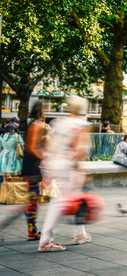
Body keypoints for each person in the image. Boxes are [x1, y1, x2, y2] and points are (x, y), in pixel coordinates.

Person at [38, 96, 92, 252]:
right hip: (69, 167)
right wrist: (80, 170)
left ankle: (79, 233)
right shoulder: (80, 125)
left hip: (55, 165)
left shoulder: (58, 123)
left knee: (71, 199)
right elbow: (78, 149)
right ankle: (46, 240)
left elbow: (50, 146)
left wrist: (48, 173)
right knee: (61, 203)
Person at [0, 102, 49, 242]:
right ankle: (7, 224)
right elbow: (32, 148)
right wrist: (44, 156)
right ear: (40, 111)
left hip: (31, 167)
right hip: (32, 168)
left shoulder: (34, 124)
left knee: (32, 201)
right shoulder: (35, 125)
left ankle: (32, 231)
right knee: (31, 202)